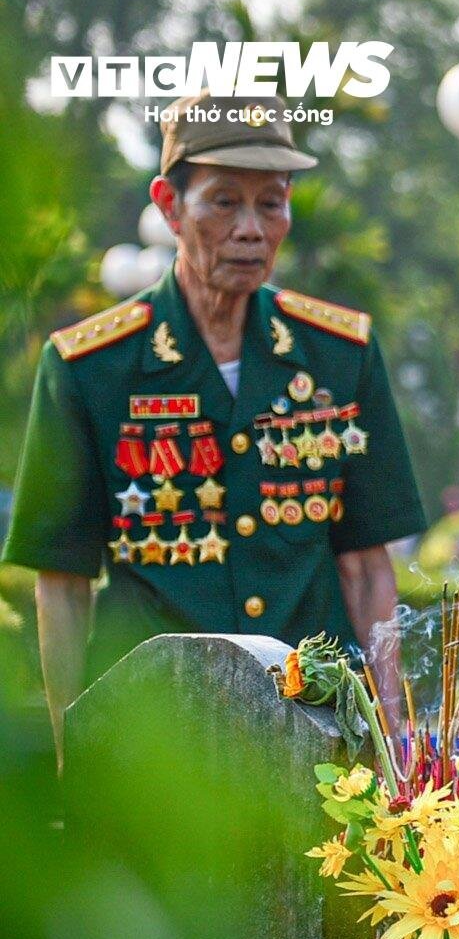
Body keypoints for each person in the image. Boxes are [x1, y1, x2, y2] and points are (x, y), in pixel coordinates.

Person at [3, 93, 425, 765]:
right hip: (153, 739)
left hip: (312, 732)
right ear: (169, 205)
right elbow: (62, 585)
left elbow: (368, 569)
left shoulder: (339, 356)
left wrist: (395, 745)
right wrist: (69, 756)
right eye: (224, 201)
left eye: (272, 202)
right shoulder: (90, 368)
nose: (252, 229)